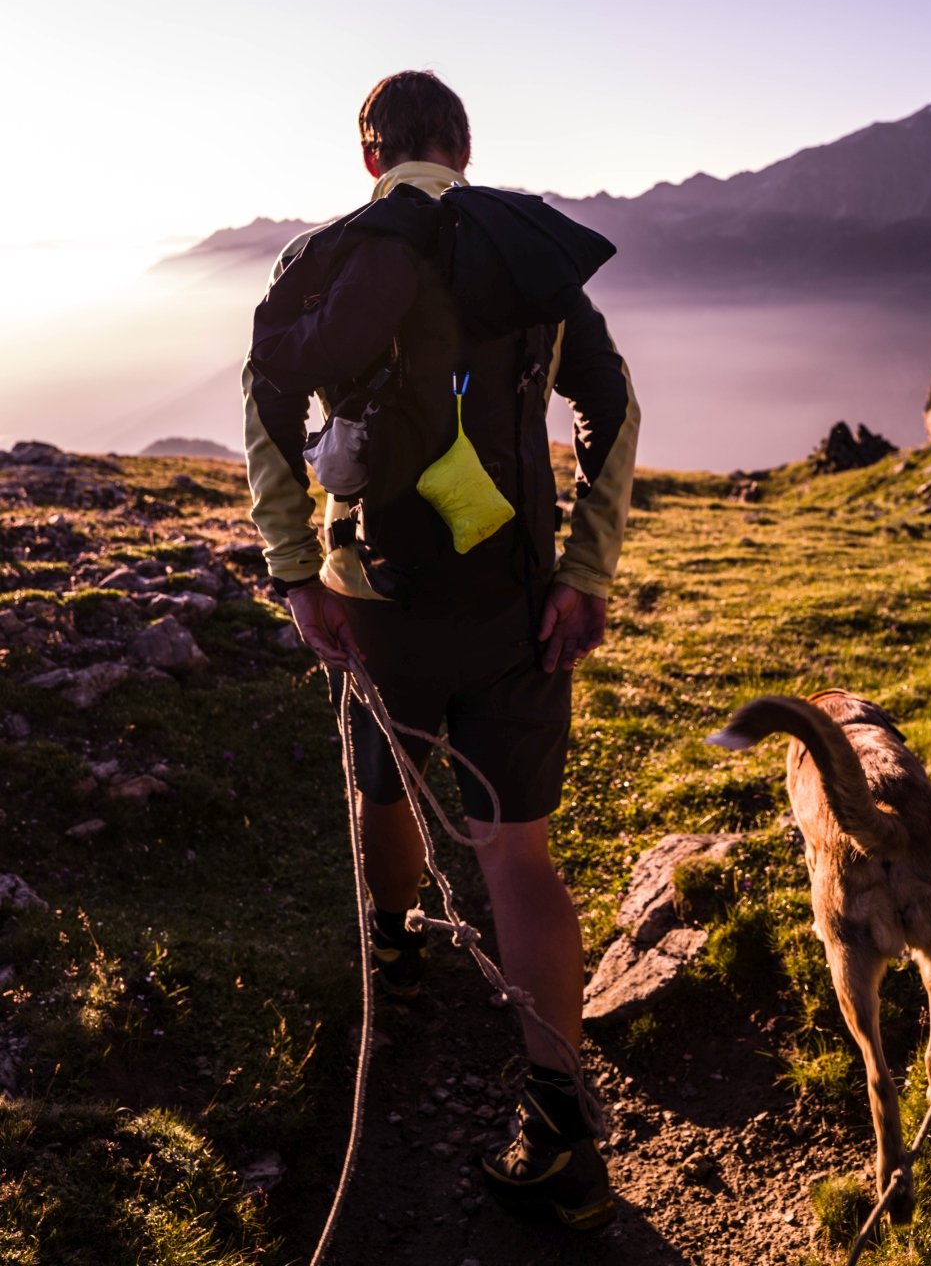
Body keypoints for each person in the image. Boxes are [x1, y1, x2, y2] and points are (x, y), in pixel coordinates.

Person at [242, 70, 639, 1230]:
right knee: (519, 853)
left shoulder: (324, 257)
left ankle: (395, 952)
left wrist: (296, 573)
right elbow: (611, 410)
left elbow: (267, 412)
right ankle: (566, 1129)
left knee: (389, 788)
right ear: (463, 151)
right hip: (517, 605)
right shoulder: (531, 251)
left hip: (377, 600)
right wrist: (585, 572)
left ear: (372, 159)